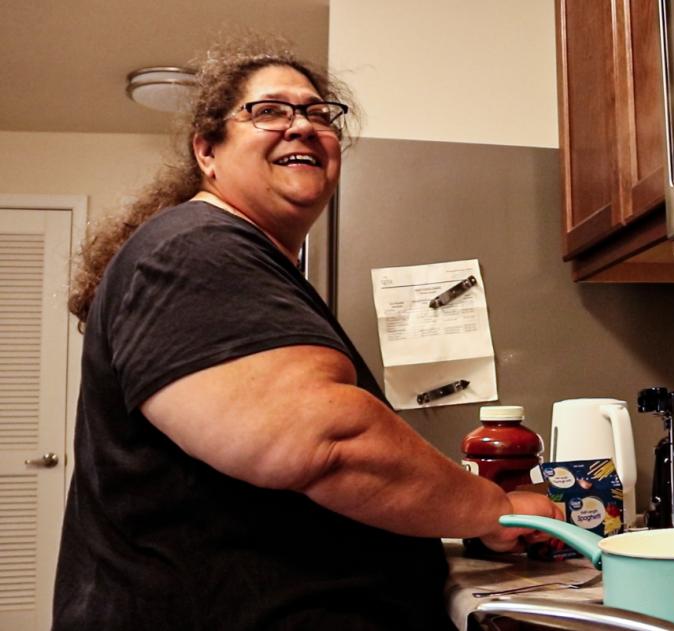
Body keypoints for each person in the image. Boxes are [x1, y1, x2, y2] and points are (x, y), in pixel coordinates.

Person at [55, 38, 561, 631]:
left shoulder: (233, 257)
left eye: (318, 113)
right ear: (207, 150)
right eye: (268, 111)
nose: (301, 126)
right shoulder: (197, 248)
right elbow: (327, 442)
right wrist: (492, 510)